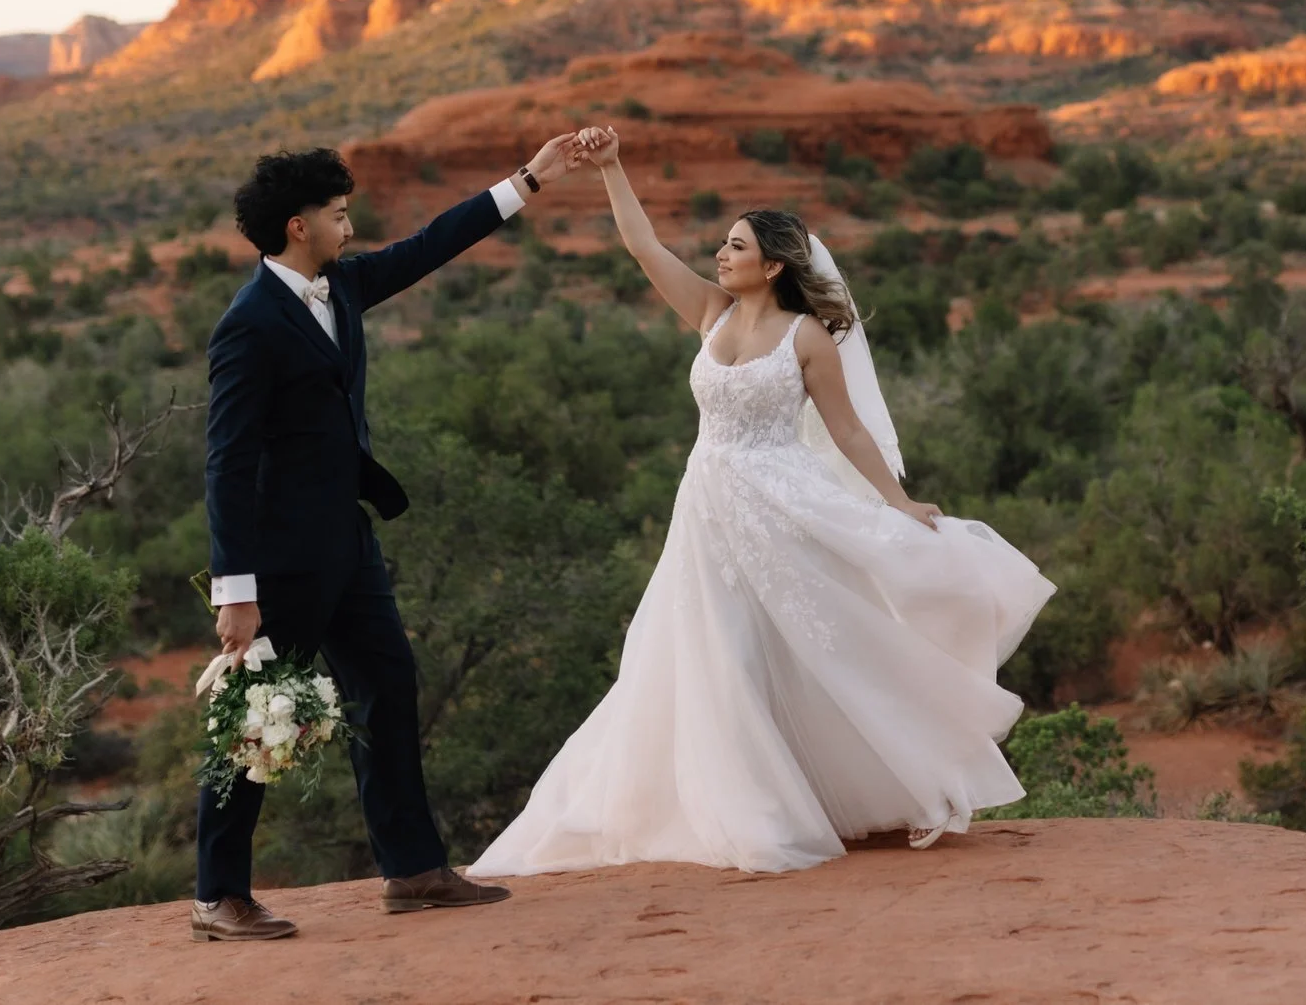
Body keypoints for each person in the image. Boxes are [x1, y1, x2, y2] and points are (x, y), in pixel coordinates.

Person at [472, 124, 1054, 876]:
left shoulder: (806, 335)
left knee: (818, 652)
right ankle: (754, 810)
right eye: (724, 243)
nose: (721, 253)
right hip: (708, 511)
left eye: (737, 246)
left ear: (774, 263)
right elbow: (644, 247)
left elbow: (844, 427)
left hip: (785, 508)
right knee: (718, 655)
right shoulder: (709, 312)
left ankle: (909, 786)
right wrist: (613, 169)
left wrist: (895, 501)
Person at [193, 137, 577, 941]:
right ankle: (217, 893)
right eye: (338, 213)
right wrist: (236, 591)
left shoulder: (345, 283)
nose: (350, 223)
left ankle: (412, 869)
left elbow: (430, 245)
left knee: (390, 686)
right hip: (280, 558)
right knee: (256, 717)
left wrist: (528, 180)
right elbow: (226, 461)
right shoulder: (248, 325)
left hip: (349, 541)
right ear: (299, 227)